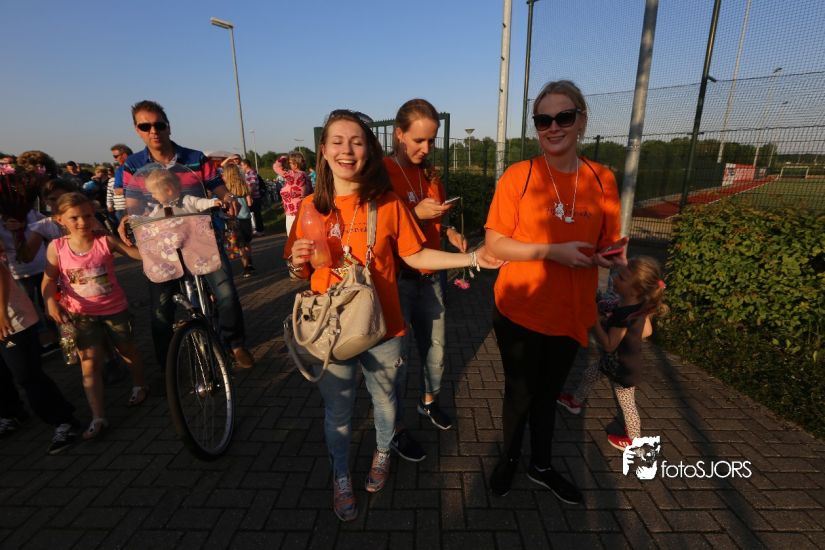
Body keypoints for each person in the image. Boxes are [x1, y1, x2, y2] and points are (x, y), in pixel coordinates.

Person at [285, 109, 502, 522]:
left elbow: (415, 254)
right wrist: (296, 262)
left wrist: (472, 257)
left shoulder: (387, 203)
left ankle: (383, 451)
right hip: (331, 328)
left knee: (385, 400)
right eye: (337, 142)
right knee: (338, 411)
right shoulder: (311, 207)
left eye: (356, 142)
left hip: (384, 324)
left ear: (368, 151)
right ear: (323, 151)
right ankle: (341, 475)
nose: (347, 150)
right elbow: (298, 270)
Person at [484, 80, 625, 504]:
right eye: (543, 120)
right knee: (520, 394)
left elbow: (609, 244)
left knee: (547, 396)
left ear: (581, 120)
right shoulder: (520, 175)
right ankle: (509, 458)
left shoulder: (601, 179)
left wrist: (611, 259)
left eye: (563, 117)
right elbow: (495, 244)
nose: (553, 127)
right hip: (520, 309)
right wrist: (551, 251)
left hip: (571, 311)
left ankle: (541, 465)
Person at [118, 99, 254, 370]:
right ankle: (168, 367)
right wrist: (127, 219)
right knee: (161, 309)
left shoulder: (195, 158)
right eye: (145, 126)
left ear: (168, 126)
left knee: (225, 293)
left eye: (159, 125)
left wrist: (228, 198)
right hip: (161, 244)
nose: (153, 131)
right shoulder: (132, 165)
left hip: (200, 237)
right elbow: (131, 204)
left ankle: (235, 344)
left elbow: (217, 187)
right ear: (137, 130)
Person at [384, 99, 468, 464]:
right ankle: (395, 428)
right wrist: (412, 213)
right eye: (419, 140)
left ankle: (428, 402)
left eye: (432, 140)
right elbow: (375, 225)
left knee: (436, 350)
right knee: (397, 361)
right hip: (398, 278)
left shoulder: (430, 175)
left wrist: (448, 230)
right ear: (399, 135)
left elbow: (436, 218)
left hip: (431, 276)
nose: (426, 148)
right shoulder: (382, 173)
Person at [41, 193, 148, 440]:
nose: (82, 222)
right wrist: (49, 302)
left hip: (115, 309)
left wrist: (151, 241)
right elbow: (48, 279)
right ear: (59, 220)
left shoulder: (104, 240)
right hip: (81, 315)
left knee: (127, 350)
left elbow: (135, 254)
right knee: (89, 364)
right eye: (74, 218)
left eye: (87, 216)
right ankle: (98, 416)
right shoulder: (57, 248)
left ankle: (140, 384)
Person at [557, 257, 668, 450]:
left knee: (627, 404)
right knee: (589, 374)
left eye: (622, 278)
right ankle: (575, 403)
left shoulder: (624, 315)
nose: (614, 278)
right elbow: (648, 332)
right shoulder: (636, 307)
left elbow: (609, 345)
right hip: (613, 362)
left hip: (622, 368)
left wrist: (594, 320)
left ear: (635, 290)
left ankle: (634, 441)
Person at [1, 240, 82, 454]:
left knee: (27, 375)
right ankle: (12, 413)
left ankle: (64, 421)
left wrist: (1, 314)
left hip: (11, 322)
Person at [220, 161, 256, 277]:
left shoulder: (226, 189)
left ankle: (246, 267)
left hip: (234, 218)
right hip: (246, 217)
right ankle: (250, 263)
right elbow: (249, 203)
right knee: (247, 242)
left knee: (240, 245)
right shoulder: (244, 185)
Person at [143, 168, 222, 216]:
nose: (152, 196)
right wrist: (142, 219)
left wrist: (213, 203)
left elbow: (201, 203)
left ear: (168, 190)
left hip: (191, 235)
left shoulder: (187, 200)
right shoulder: (158, 208)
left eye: (154, 193)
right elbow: (150, 220)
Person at [274, 151, 309, 237]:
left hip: (293, 213)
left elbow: (276, 167)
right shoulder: (305, 175)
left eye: (290, 163)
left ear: (295, 164)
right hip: (303, 210)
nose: (288, 165)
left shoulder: (293, 175)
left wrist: (283, 158)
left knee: (293, 238)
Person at [107, 144, 133, 228]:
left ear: (124, 155)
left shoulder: (122, 169)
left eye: (116, 156)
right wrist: (138, 191)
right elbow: (117, 190)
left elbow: (117, 190)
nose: (115, 159)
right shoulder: (120, 170)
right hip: (128, 207)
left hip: (131, 208)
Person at [240, 158, 264, 235]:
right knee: (253, 213)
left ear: (246, 165)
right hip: (251, 197)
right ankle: (256, 229)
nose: (241, 167)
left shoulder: (252, 173)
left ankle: (260, 230)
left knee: (257, 214)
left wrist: (249, 195)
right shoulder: (247, 173)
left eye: (242, 165)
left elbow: (253, 185)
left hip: (254, 197)